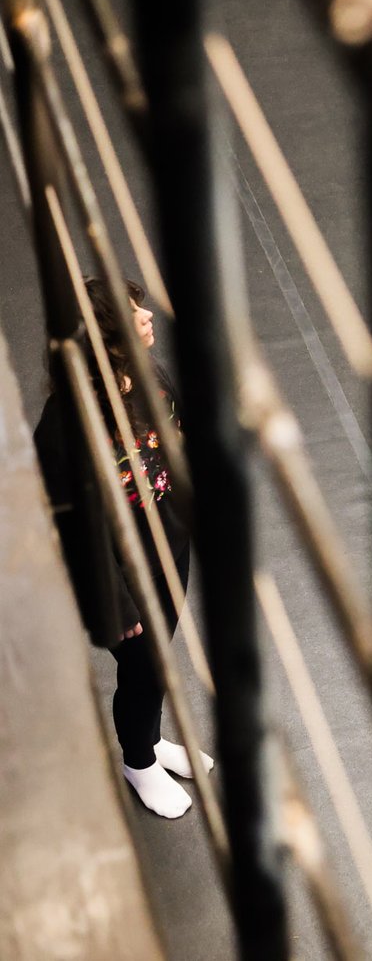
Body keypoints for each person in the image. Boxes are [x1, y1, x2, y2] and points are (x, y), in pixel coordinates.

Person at [33, 278, 212, 819]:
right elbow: (72, 530)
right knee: (142, 668)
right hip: (117, 572)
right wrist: (116, 603)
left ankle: (152, 743)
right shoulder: (66, 426)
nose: (147, 315)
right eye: (134, 313)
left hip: (166, 545)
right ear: (105, 338)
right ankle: (138, 761)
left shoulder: (149, 377)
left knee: (158, 661)